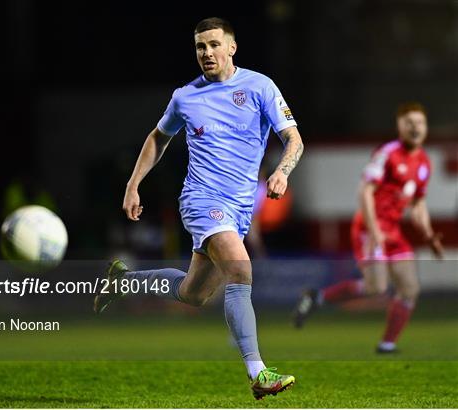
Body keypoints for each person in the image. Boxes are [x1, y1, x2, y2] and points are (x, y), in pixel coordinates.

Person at [94, 17, 304, 399]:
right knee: (241, 269)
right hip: (201, 200)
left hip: (239, 210)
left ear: (231, 47)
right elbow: (159, 137)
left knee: (194, 294)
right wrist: (133, 184)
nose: (206, 53)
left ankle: (123, 281)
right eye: (199, 47)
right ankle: (258, 373)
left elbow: (293, 138)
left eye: (212, 44)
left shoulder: (260, 87)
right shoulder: (185, 97)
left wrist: (282, 172)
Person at [293, 102, 444, 354]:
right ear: (400, 126)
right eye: (409, 123)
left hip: (393, 231)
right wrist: (374, 233)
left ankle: (387, 344)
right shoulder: (388, 154)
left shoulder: (424, 163)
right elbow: (365, 192)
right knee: (376, 288)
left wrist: (429, 235)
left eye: (420, 122)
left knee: (410, 289)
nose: (415, 127)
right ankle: (317, 297)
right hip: (368, 227)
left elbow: (418, 204)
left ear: (426, 127)